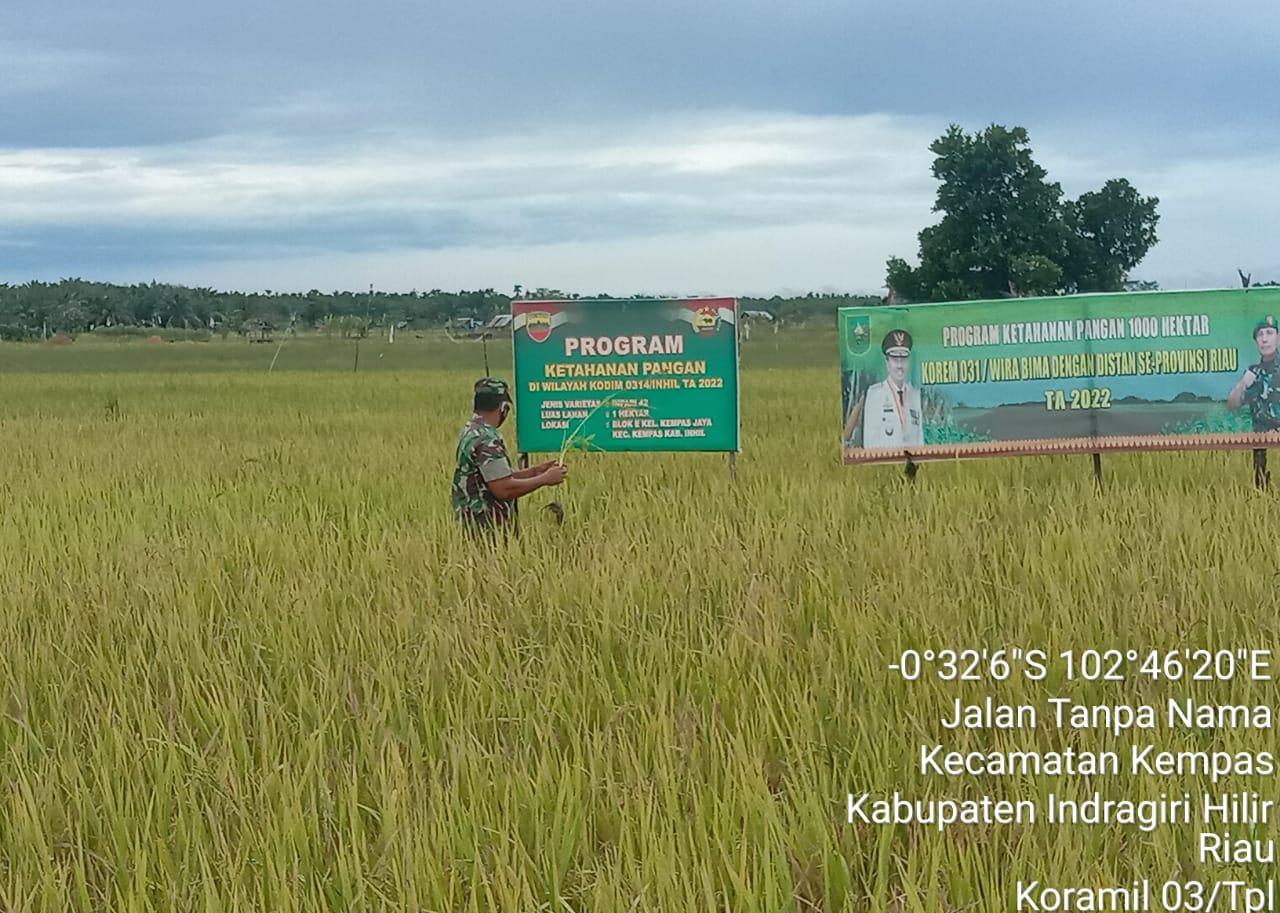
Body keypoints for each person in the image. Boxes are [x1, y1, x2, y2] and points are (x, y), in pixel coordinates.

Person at [452, 377, 567, 534]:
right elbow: (503, 488)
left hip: (472, 523)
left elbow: (494, 477)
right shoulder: (487, 439)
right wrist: (544, 479)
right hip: (486, 529)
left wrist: (534, 472)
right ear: (503, 408)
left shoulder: (472, 430)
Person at [861, 329, 923, 447]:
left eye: (903, 359)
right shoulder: (875, 394)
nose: (900, 365)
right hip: (886, 463)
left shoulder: (915, 394)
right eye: (895, 359)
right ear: (887, 362)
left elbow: (920, 439)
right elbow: (869, 441)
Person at [1228, 315, 1280, 432]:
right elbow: (1232, 405)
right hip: (1260, 444)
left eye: (1269, 333)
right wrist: (1242, 385)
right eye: (1260, 334)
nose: (1264, 339)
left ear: (1278, 338)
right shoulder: (1253, 373)